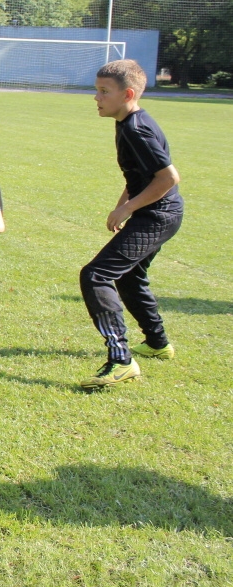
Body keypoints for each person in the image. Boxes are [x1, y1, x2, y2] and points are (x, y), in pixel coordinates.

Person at [78, 59, 183, 390]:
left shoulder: (137, 129)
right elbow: (140, 175)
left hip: (158, 215)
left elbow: (167, 178)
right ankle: (157, 343)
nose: (97, 98)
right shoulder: (127, 122)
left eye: (104, 92)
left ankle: (121, 360)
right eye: (97, 90)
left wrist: (128, 209)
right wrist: (124, 203)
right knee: (128, 277)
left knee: (95, 275)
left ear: (128, 94)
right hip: (155, 212)